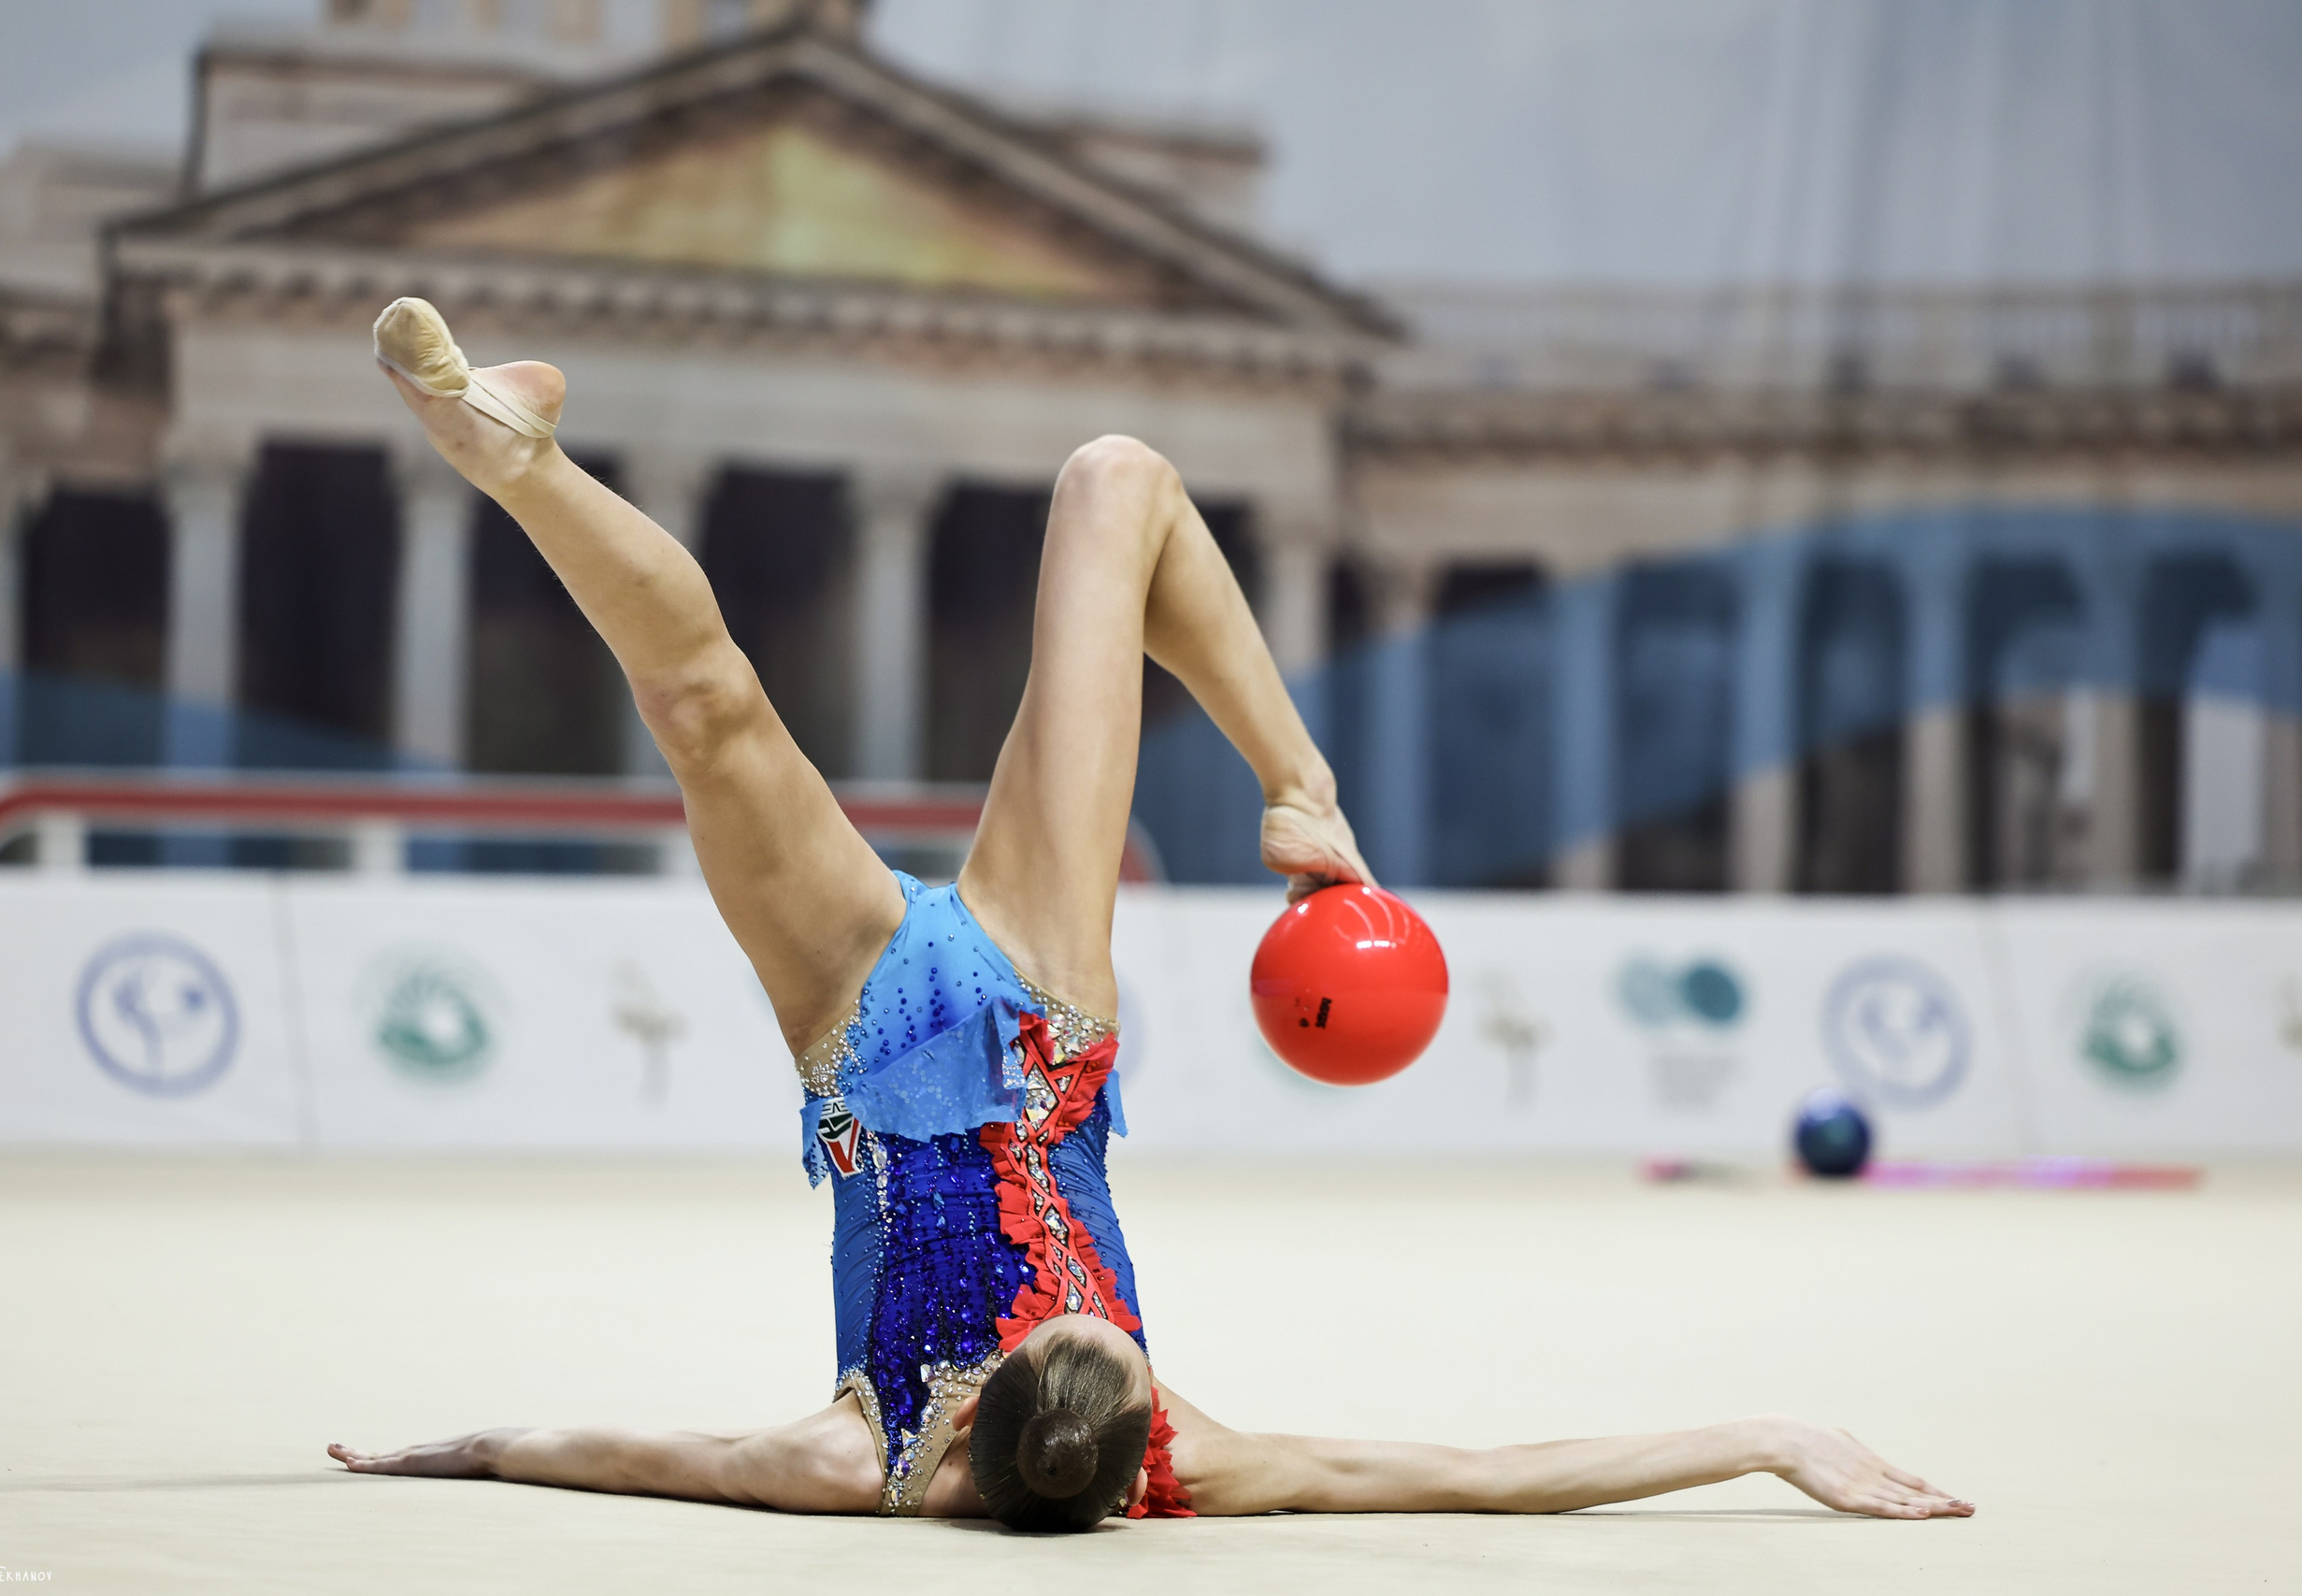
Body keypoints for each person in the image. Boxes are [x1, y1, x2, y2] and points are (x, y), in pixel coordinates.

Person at [328, 299, 1974, 1530]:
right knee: (821, 645)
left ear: (973, 1439)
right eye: (1103, 1333)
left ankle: (517, 454)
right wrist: (1762, 1436)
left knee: (750, 690)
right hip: (1006, 1007)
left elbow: (612, 1456)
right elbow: (1471, 1480)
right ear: (1136, 1461)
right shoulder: (1096, 1458)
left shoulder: (884, 1462)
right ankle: (1303, 780)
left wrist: (461, 1449)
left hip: (930, 1016)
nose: (1084, 1319)